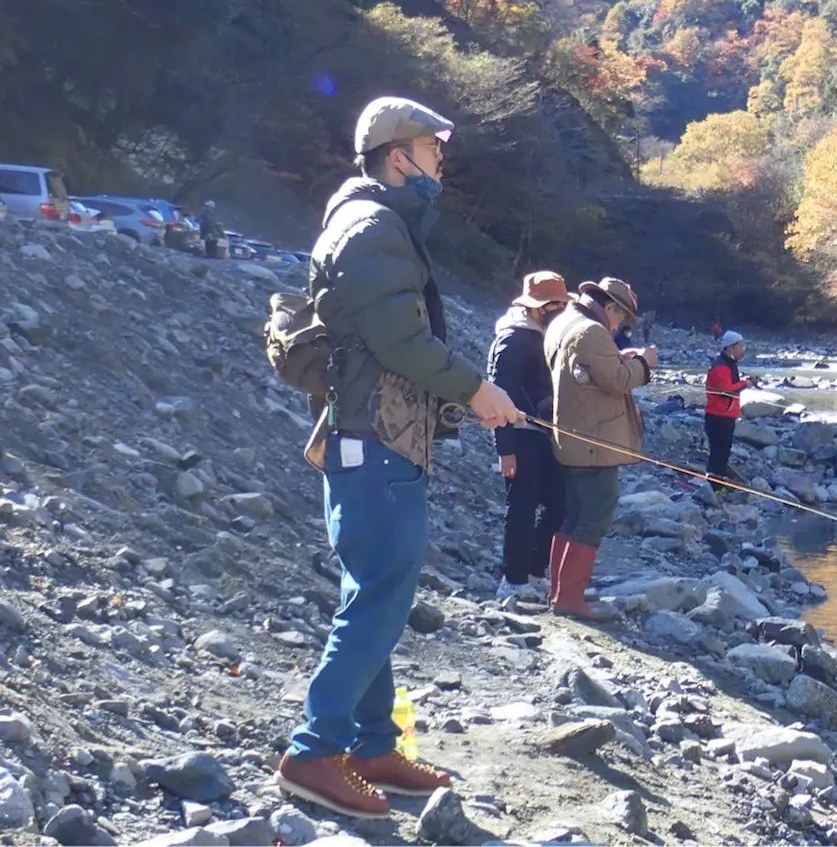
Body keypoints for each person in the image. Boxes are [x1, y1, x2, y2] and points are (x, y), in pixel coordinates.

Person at [274, 96, 520, 818]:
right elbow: (399, 344)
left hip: (375, 439)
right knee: (382, 589)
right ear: (395, 155)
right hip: (373, 441)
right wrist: (479, 391)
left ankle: (373, 746)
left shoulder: (373, 223)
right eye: (432, 149)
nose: (442, 162)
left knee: (377, 590)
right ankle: (313, 752)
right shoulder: (373, 227)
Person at [544, 277, 656, 617]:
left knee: (573, 515)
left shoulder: (564, 321)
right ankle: (570, 600)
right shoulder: (592, 331)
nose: (620, 324)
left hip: (571, 437)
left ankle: (560, 592)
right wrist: (644, 364)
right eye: (621, 318)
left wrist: (618, 356)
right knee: (594, 517)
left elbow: (589, 371)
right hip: (594, 442)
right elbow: (618, 381)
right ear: (610, 308)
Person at [487, 271, 570, 601]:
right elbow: (498, 394)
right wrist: (504, 449)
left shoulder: (541, 336)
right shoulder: (513, 339)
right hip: (519, 435)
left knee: (558, 504)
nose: (561, 311)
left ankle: (535, 569)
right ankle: (513, 577)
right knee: (521, 506)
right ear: (538, 308)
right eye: (556, 305)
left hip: (544, 433)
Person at [705, 330, 753, 488]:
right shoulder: (721, 366)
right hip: (718, 417)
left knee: (722, 453)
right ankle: (714, 487)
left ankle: (717, 485)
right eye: (741, 345)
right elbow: (726, 391)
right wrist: (744, 384)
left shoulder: (729, 364)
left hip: (724, 416)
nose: (743, 348)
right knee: (718, 455)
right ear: (731, 347)